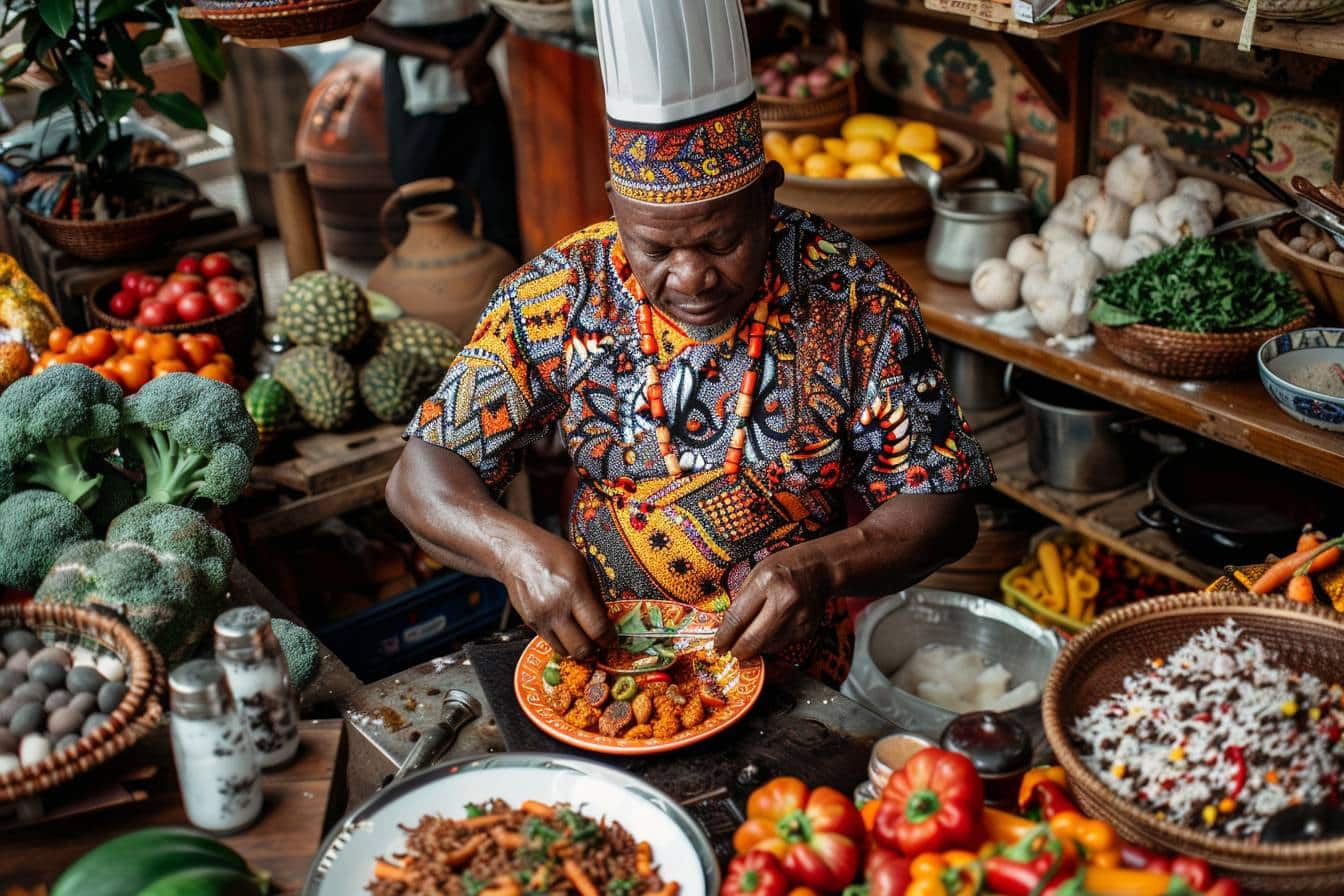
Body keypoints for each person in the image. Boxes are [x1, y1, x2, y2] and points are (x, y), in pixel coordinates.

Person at [387, 0, 994, 686]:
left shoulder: (854, 295)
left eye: (721, 240)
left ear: (767, 195)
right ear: (615, 205)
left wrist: (824, 568)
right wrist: (513, 552)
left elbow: (943, 504)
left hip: (795, 680)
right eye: (655, 247)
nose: (691, 276)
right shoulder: (560, 292)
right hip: (603, 669)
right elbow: (419, 479)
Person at [357, 0, 521, 258]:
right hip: (411, 63)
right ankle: (434, 281)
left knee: (493, 184)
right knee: (421, 190)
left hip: (476, 61)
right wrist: (445, 55)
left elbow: (511, 6)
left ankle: (504, 281)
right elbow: (358, 26)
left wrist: (477, 50)